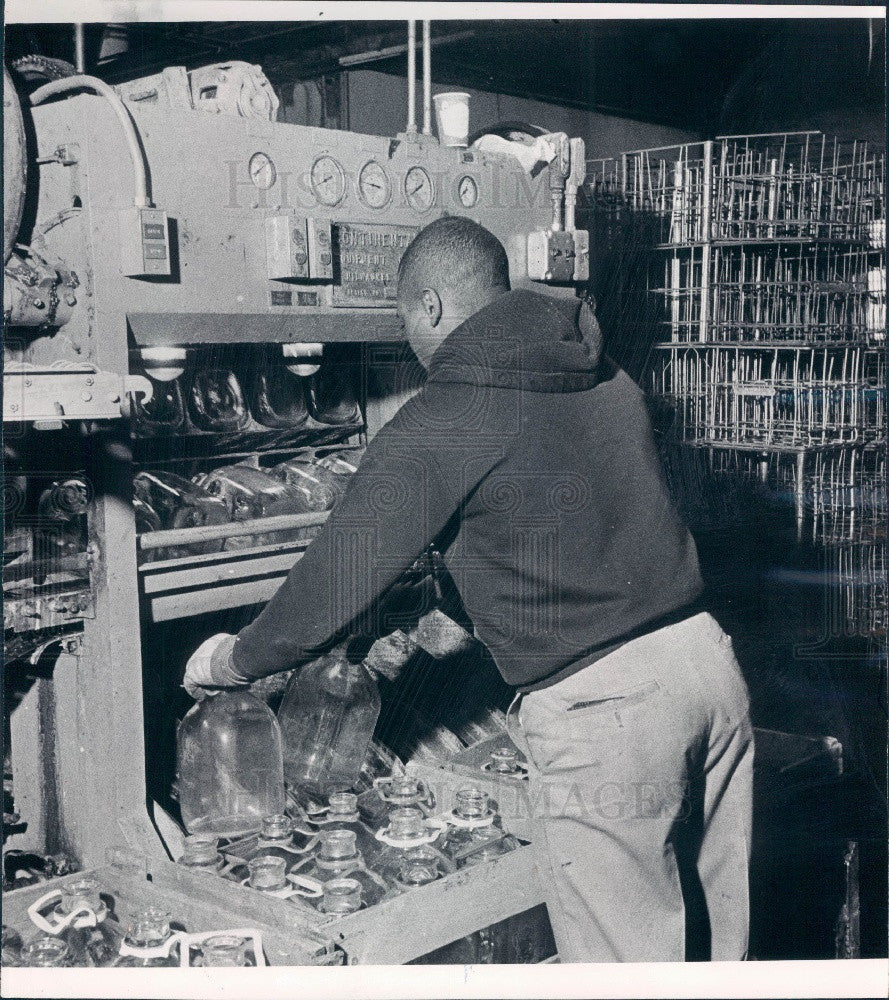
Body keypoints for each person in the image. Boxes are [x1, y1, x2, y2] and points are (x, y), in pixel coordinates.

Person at [184, 216, 754, 963]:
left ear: (427, 307)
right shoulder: (605, 374)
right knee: (726, 953)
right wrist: (453, 611)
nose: (411, 349)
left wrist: (232, 661)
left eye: (404, 324)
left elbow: (336, 579)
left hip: (607, 716)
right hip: (707, 667)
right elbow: (567, 519)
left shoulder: (448, 413)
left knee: (626, 968)